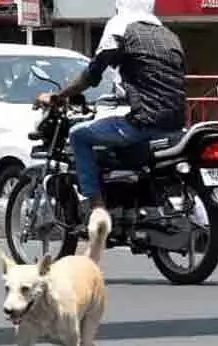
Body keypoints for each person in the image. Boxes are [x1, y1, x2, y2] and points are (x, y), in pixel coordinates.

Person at [35, 0, 187, 215]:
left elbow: (91, 75)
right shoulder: (169, 36)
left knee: (78, 135)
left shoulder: (120, 27)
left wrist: (59, 96)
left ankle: (96, 208)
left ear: (120, 6)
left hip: (144, 121)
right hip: (175, 122)